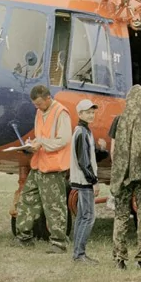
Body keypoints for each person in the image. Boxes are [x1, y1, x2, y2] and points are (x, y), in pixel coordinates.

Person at [16, 84, 73, 253]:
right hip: (39, 163)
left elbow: (64, 140)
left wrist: (41, 143)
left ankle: (59, 242)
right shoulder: (40, 112)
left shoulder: (61, 112)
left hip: (53, 167)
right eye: (35, 105)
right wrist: (32, 144)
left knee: (54, 205)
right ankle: (23, 236)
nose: (37, 107)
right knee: (27, 200)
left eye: (39, 104)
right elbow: (41, 136)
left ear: (49, 98)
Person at [110, 85, 141, 270]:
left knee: (121, 215)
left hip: (124, 174)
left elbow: (114, 151)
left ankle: (119, 258)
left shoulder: (119, 120)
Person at [69, 99, 99, 263]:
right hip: (85, 181)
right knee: (88, 217)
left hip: (82, 180)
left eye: (93, 112)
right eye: (88, 112)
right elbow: (83, 161)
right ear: (79, 114)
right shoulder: (81, 132)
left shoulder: (84, 131)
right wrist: (93, 181)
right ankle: (79, 254)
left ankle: (77, 253)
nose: (91, 114)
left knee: (82, 217)